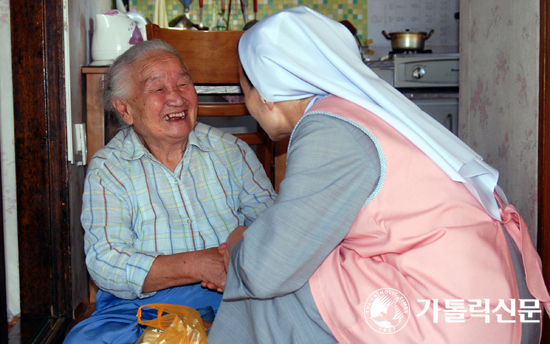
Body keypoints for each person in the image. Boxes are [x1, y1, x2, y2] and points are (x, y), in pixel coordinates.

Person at [208, 6, 550, 344]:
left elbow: (271, 267)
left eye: (243, 92)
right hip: (502, 306)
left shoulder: (330, 130)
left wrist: (239, 248)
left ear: (266, 94)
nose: (246, 105)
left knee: (273, 283)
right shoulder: (362, 113)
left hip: (463, 322)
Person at [63, 39, 275, 344]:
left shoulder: (232, 151)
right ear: (125, 109)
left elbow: (275, 225)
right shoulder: (110, 167)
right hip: (141, 306)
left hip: (234, 293)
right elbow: (105, 262)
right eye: (158, 89)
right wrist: (201, 264)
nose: (176, 98)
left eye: (184, 84)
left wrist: (242, 242)